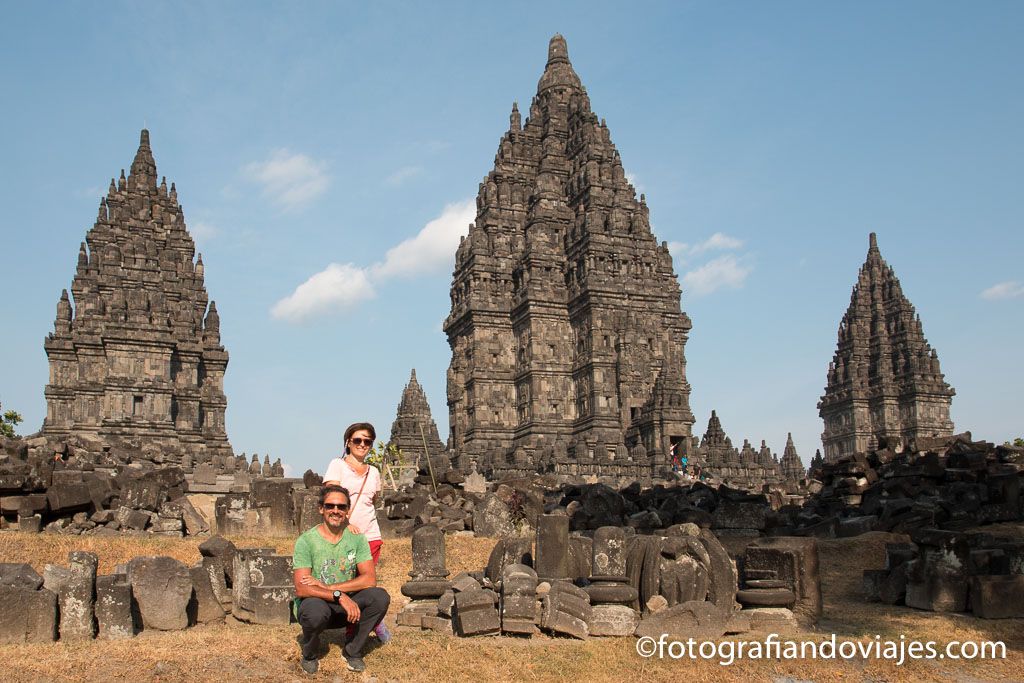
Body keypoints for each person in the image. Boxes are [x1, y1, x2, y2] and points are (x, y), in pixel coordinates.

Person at [292, 484, 390, 674]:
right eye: (330, 506)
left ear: (348, 511)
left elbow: (369, 579)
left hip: (347, 606)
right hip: (318, 604)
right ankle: (310, 653)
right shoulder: (306, 541)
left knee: (379, 597)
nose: (335, 511)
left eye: (341, 507)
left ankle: (353, 650)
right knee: (314, 612)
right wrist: (338, 595)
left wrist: (330, 587)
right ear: (321, 509)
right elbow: (302, 588)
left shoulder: (357, 538)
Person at [323, 422, 390, 642]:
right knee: (350, 582)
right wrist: (346, 522)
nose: (362, 444)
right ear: (348, 442)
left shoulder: (374, 471)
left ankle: (367, 625)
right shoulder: (337, 466)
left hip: (370, 535)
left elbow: (373, 500)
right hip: (346, 535)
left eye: (367, 441)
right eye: (357, 440)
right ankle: (357, 626)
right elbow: (331, 497)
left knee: (367, 583)